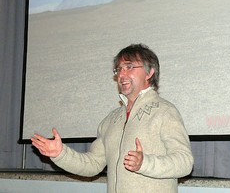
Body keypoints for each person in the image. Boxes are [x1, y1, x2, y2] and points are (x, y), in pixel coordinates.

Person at [31, 43, 194, 193]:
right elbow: (93, 164)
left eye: (129, 67)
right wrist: (60, 154)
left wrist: (144, 163)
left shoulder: (165, 111)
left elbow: (185, 162)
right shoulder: (111, 119)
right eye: (118, 69)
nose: (121, 74)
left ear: (149, 72)